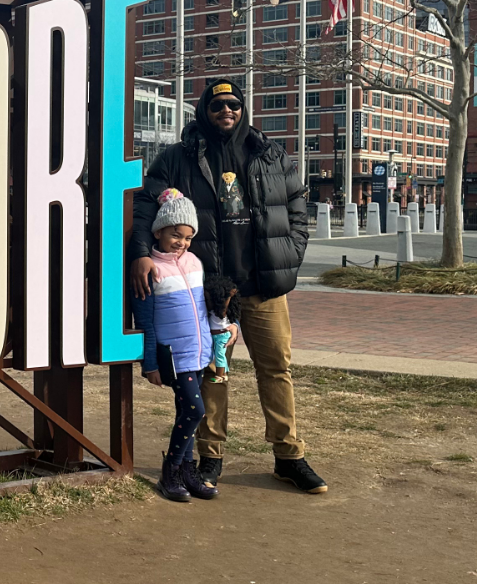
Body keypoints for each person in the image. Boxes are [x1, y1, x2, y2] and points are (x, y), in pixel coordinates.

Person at [127, 80, 327, 494]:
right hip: (211, 291)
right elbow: (145, 207)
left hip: (263, 285)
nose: (226, 111)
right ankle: (210, 456)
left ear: (243, 108)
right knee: (212, 372)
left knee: (276, 369)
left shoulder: (270, 154)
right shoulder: (176, 158)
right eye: (217, 105)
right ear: (204, 110)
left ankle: (289, 456)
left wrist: (291, 250)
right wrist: (143, 252)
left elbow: (297, 205)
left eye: (234, 104)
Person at [131, 188, 219, 503]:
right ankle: (171, 471)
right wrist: (150, 362)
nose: (181, 242)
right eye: (175, 234)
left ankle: (186, 470)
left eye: (187, 236)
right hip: (173, 357)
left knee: (187, 411)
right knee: (195, 410)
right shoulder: (149, 269)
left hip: (199, 351)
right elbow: (145, 321)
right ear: (159, 232)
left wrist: (223, 329)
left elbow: (204, 306)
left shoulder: (194, 263)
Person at [204, 273, 241, 384]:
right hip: (216, 335)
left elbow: (223, 310)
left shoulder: (221, 313)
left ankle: (219, 375)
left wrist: (229, 296)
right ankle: (224, 373)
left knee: (219, 355)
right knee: (219, 355)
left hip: (221, 335)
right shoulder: (212, 311)